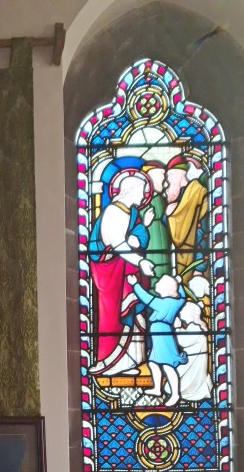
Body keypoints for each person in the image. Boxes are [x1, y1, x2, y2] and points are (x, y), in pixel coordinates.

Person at [87, 169, 156, 376]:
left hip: (125, 272)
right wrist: (141, 261)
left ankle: (130, 361)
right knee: (113, 316)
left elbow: (135, 237)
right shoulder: (113, 212)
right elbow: (118, 245)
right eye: (141, 191)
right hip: (111, 274)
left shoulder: (131, 212)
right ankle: (111, 363)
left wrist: (143, 228)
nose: (144, 196)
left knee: (133, 313)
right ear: (128, 191)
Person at [127, 273, 187, 405]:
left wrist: (135, 285)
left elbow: (146, 299)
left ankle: (175, 394)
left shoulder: (164, 303)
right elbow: (183, 297)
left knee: (168, 366)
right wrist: (180, 284)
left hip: (162, 335)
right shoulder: (176, 302)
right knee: (153, 363)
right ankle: (157, 389)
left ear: (166, 288)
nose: (156, 284)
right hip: (159, 334)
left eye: (159, 282)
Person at [164, 155, 209, 283]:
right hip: (178, 256)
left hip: (194, 258)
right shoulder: (175, 196)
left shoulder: (199, 193)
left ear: (181, 173)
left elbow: (203, 231)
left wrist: (200, 267)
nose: (168, 180)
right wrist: (167, 215)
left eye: (171, 175)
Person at [175, 301, 213, 401]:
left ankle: (192, 393)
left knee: (187, 381)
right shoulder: (194, 326)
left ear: (191, 314)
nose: (180, 313)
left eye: (182, 311)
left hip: (193, 361)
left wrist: (177, 328)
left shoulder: (197, 327)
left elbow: (182, 342)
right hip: (191, 359)